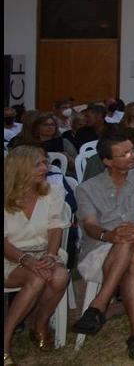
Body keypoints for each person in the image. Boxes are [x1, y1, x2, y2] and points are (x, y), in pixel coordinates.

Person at [71, 134, 134, 358]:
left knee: (130, 239)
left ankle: (99, 304)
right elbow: (90, 225)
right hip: (101, 247)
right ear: (107, 161)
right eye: (125, 154)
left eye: (133, 150)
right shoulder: (87, 188)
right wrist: (110, 235)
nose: (133, 156)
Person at [3, 146, 71, 361]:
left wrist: (50, 256)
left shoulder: (52, 191)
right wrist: (26, 260)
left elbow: (55, 228)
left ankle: (39, 323)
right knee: (36, 279)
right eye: (38, 164)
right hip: (11, 256)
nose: (44, 168)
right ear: (20, 168)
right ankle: (5, 338)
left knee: (60, 276)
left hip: (44, 252)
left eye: (44, 162)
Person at [9, 111, 77, 160]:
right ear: (37, 127)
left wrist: (67, 158)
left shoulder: (63, 142)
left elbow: (76, 165)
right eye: (45, 125)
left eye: (52, 125)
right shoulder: (30, 143)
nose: (50, 127)